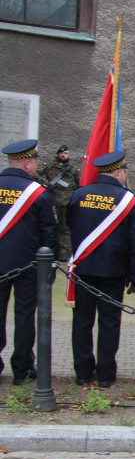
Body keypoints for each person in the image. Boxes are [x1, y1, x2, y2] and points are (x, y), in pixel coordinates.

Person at [66, 151, 135, 387]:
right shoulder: (129, 200)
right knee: (109, 323)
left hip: (84, 268)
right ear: (119, 172)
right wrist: (134, 273)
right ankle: (106, 375)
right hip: (113, 271)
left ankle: (82, 372)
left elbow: (70, 225)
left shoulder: (79, 194)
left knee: (82, 321)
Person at [0, 140, 57, 384]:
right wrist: (51, 264)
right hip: (28, 265)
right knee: (24, 316)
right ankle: (22, 369)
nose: (35, 167)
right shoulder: (39, 193)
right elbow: (49, 232)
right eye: (34, 162)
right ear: (27, 163)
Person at [37, 144, 81, 261]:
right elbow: (36, 174)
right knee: (52, 228)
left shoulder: (73, 168)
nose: (63, 155)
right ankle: (51, 253)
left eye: (65, 153)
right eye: (61, 153)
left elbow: (80, 183)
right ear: (58, 154)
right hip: (53, 201)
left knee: (65, 228)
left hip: (67, 202)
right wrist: (46, 184)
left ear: (69, 154)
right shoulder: (50, 166)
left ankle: (65, 256)